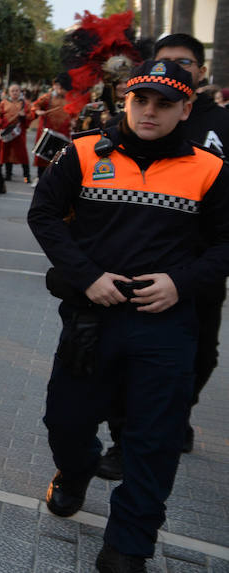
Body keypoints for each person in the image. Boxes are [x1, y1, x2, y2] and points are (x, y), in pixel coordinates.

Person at [29, 59, 229, 573]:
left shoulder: (210, 169)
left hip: (166, 324)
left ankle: (129, 543)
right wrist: (87, 275)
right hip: (92, 318)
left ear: (186, 109)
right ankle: (74, 473)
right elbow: (44, 214)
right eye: (142, 100)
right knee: (66, 424)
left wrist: (180, 284)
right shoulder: (82, 151)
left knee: (153, 438)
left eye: (165, 104)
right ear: (126, 100)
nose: (150, 111)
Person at [96, 34, 229, 481]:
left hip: (198, 271)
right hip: (135, 268)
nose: (153, 110)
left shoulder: (219, 122)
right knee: (121, 360)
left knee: (201, 354)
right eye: (165, 61)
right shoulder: (133, 114)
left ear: (201, 71)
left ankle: (174, 414)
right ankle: (124, 437)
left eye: (185, 62)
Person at [32, 76, 74, 179]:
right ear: (58, 87)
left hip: (63, 132)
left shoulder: (70, 99)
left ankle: (55, 179)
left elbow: (74, 113)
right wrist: (38, 111)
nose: (65, 92)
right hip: (47, 131)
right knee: (43, 157)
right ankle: (40, 178)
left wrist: (74, 121)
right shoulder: (48, 97)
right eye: (64, 89)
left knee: (60, 158)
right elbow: (35, 106)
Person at [0, 83, 33, 182]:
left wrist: (24, 116)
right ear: (9, 92)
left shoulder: (25, 104)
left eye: (16, 90)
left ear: (20, 92)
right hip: (7, 131)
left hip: (19, 132)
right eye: (12, 91)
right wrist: (1, 123)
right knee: (6, 153)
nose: (15, 92)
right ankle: (8, 175)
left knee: (22, 154)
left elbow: (31, 116)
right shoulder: (3, 103)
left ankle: (26, 176)